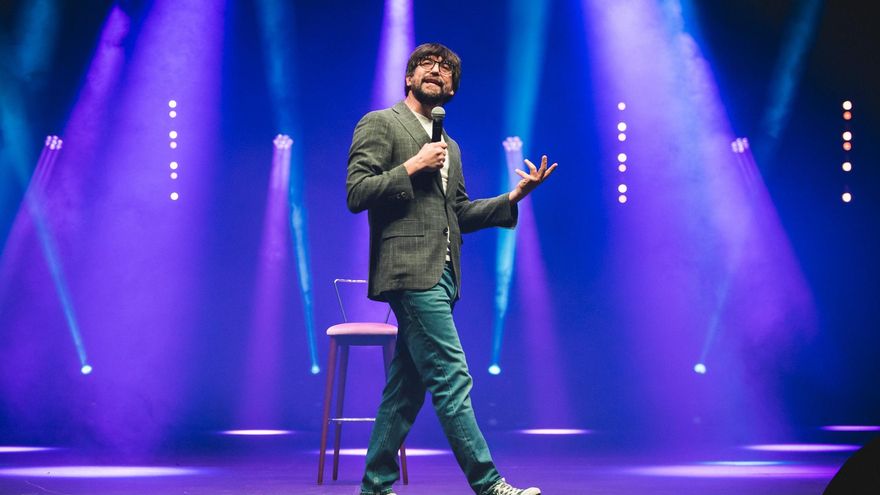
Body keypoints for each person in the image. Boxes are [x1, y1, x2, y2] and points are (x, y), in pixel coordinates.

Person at [346, 42, 556, 495]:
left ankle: (375, 486)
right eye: (427, 64)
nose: (436, 72)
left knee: (407, 389)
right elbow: (356, 193)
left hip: (444, 276)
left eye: (446, 70)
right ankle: (489, 484)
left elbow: (456, 213)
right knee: (452, 374)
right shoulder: (382, 123)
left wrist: (511, 200)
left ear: (452, 89)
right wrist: (412, 165)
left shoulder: (451, 147)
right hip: (407, 270)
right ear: (408, 77)